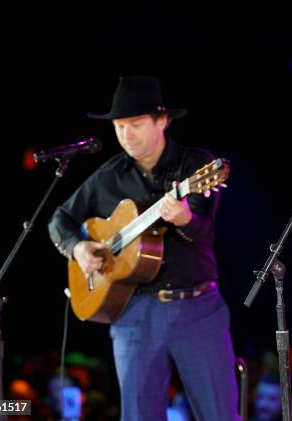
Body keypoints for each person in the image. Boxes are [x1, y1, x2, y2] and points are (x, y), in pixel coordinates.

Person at [48, 75, 240, 421]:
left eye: (135, 124)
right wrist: (77, 248)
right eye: (120, 126)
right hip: (133, 313)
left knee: (220, 414)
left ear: (162, 121)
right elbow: (59, 219)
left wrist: (183, 219)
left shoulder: (195, 166)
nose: (126, 135)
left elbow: (204, 229)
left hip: (197, 309)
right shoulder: (108, 176)